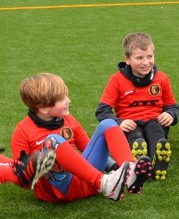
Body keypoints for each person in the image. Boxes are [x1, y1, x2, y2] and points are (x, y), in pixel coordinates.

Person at [11, 73, 153, 203]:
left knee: (108, 123)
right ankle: (105, 183)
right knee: (53, 141)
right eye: (61, 99)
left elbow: (88, 147)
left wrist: (114, 167)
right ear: (43, 108)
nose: (68, 100)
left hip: (88, 182)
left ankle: (129, 172)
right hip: (61, 190)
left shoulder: (69, 120)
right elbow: (21, 178)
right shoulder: (23, 130)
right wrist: (39, 164)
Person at [96, 32, 179, 180]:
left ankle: (157, 161)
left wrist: (171, 115)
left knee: (155, 130)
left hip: (154, 121)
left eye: (149, 56)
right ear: (127, 60)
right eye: (139, 58)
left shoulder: (162, 78)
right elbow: (102, 111)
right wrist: (119, 122)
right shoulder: (117, 80)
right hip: (130, 123)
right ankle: (139, 157)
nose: (146, 62)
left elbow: (172, 106)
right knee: (136, 136)